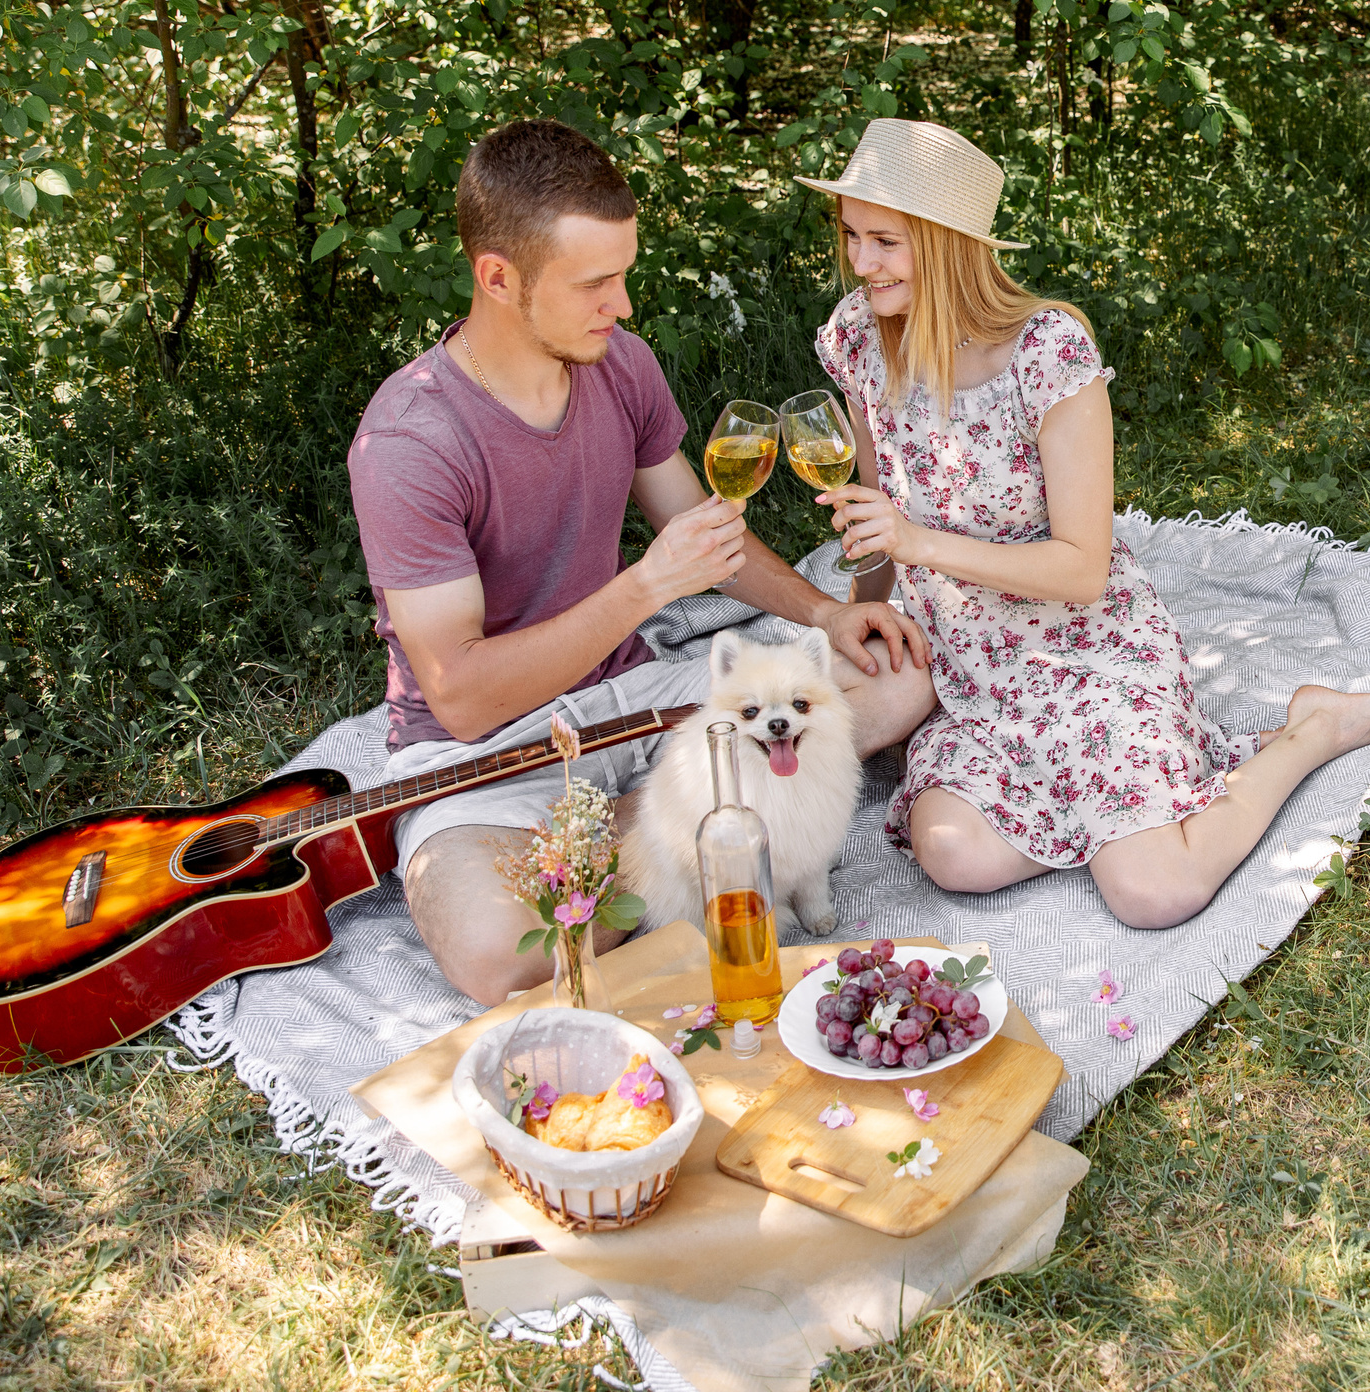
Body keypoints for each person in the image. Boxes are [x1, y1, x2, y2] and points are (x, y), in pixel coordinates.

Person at [348, 119, 934, 1005]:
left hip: (633, 704)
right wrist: (648, 585)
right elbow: (462, 695)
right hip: (487, 753)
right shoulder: (411, 440)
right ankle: (691, 829)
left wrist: (824, 614)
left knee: (898, 677)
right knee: (500, 953)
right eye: (595, 284)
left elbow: (705, 538)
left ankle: (649, 834)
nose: (621, 305)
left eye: (622, 275)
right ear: (498, 278)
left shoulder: (620, 365)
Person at [798, 119, 1370, 929]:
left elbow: (1081, 568)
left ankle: (1310, 732)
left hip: (1082, 645)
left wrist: (915, 542)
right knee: (956, 854)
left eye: (885, 241)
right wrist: (867, 613)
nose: (861, 262)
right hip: (967, 661)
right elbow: (873, 513)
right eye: (853, 236)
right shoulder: (861, 338)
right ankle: (1106, 808)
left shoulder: (1046, 352)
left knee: (1153, 893)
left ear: (950, 244)